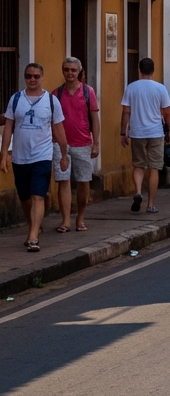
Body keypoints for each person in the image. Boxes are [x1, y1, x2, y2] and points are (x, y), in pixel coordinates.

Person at [1, 63, 69, 251]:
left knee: (38, 195)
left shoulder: (51, 101)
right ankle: (33, 227)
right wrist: (3, 153)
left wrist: (64, 154)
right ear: (25, 78)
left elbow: (59, 129)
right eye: (29, 76)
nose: (32, 79)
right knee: (25, 197)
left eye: (36, 76)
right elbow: (8, 126)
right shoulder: (16, 99)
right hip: (20, 157)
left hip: (42, 155)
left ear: (42, 77)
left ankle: (33, 237)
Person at [52, 56, 99, 233]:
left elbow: (95, 119)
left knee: (83, 181)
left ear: (79, 72)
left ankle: (80, 216)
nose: (69, 73)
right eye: (66, 70)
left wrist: (96, 143)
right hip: (60, 144)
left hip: (83, 143)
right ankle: (65, 220)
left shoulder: (88, 92)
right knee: (63, 181)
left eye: (73, 70)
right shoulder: (55, 94)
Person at [120, 57, 170, 213]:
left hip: (137, 132)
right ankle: (150, 205)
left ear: (139, 70)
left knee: (138, 165)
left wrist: (124, 132)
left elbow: (126, 112)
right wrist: (169, 130)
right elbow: (167, 112)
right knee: (154, 168)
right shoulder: (160, 88)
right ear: (153, 70)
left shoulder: (131, 88)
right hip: (155, 132)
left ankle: (137, 192)